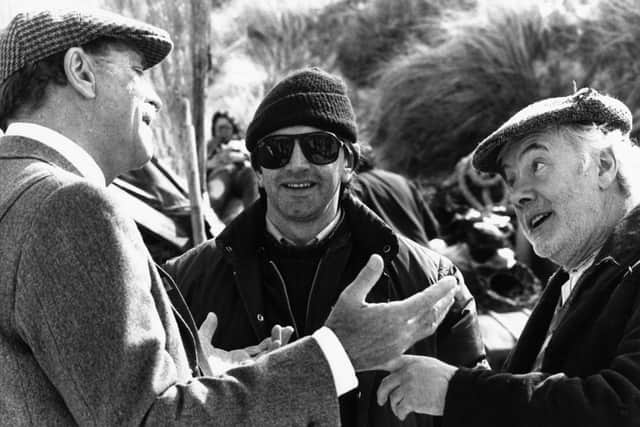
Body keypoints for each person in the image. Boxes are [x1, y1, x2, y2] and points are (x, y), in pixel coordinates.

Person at [0, 9, 462, 426]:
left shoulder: (17, 191)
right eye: (139, 71)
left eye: (319, 146)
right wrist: (334, 355)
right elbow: (147, 419)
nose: (154, 99)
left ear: (349, 161)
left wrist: (205, 372)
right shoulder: (72, 208)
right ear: (80, 71)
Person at [164, 67, 486, 427]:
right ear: (257, 171)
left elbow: (476, 408)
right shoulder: (182, 284)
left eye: (319, 147)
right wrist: (201, 383)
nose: (297, 164)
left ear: (348, 163)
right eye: (276, 151)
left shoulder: (432, 284)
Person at [377, 87, 640, 426]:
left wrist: (455, 391)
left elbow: (625, 405)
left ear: (603, 166)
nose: (517, 195)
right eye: (512, 178)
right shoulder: (570, 280)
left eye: (538, 164)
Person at [350, 144, 439, 246]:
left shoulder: (356, 187)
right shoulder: (402, 180)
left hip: (393, 258)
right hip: (424, 256)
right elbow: (432, 230)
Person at [206, 111, 259, 223]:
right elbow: (201, 166)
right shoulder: (210, 145)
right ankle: (208, 222)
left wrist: (236, 156)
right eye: (220, 128)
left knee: (250, 174)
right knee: (216, 191)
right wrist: (217, 160)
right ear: (215, 130)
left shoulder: (243, 142)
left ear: (233, 128)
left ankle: (255, 223)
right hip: (221, 173)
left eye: (226, 127)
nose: (223, 131)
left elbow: (254, 157)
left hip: (241, 173)